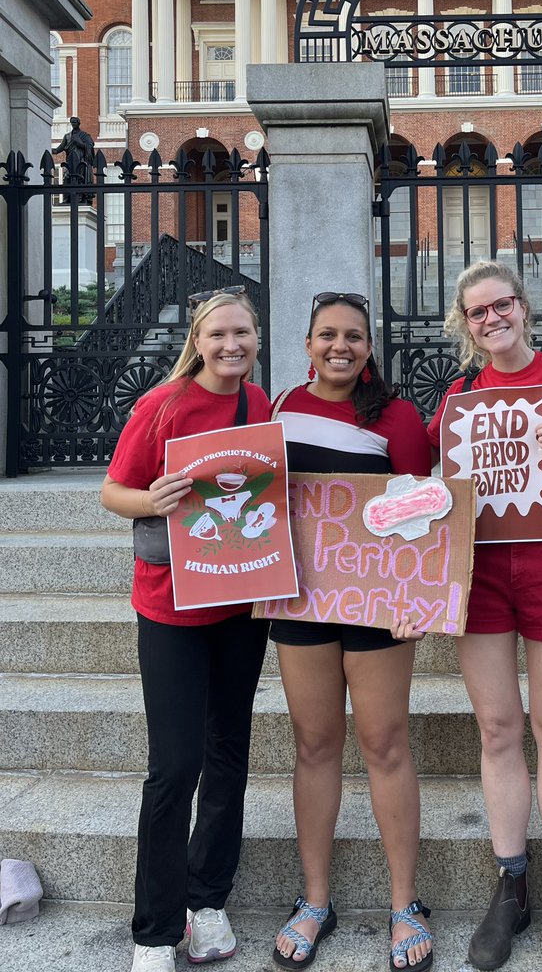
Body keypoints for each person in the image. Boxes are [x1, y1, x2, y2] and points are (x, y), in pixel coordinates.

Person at [427, 261, 542, 972]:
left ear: (524, 307)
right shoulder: (460, 396)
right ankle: (512, 883)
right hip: (483, 573)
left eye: (502, 305)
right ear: (465, 326)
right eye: (478, 312)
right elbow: (440, 494)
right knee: (498, 727)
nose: (492, 319)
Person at [99, 287, 271, 972]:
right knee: (175, 767)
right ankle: (154, 931)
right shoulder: (161, 405)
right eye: (220, 334)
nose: (232, 345)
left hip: (238, 604)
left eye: (243, 334)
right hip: (171, 608)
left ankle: (208, 900)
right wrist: (152, 498)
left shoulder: (258, 406)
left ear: (257, 339)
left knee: (228, 751)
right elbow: (113, 491)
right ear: (197, 340)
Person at [270, 290, 435, 971]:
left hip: (379, 604)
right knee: (314, 744)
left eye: (354, 337)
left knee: (385, 744)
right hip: (300, 600)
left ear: (370, 348)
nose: (341, 346)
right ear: (307, 343)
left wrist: (418, 598)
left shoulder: (397, 417)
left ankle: (405, 904)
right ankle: (315, 901)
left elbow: (427, 511)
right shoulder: (279, 409)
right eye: (327, 334)